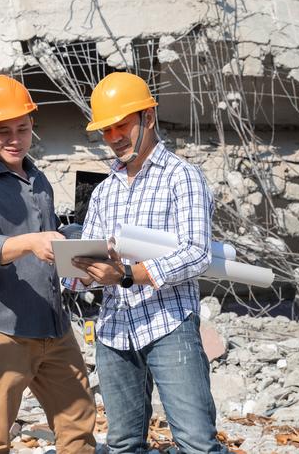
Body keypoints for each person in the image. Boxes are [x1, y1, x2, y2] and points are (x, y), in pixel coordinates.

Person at [70, 72, 229, 454]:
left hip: (168, 324)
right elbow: (88, 272)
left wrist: (126, 273)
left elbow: (196, 252)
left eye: (121, 125)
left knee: (196, 443)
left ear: (149, 117)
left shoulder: (182, 178)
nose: (113, 138)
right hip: (114, 331)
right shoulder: (103, 190)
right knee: (124, 444)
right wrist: (76, 272)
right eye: (106, 130)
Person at [0, 75, 97, 454]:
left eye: (23, 129)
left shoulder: (39, 180)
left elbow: (50, 239)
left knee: (78, 421)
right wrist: (30, 242)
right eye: (3, 131)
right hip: (2, 326)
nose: (15, 139)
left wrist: (76, 239)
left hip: (53, 323)